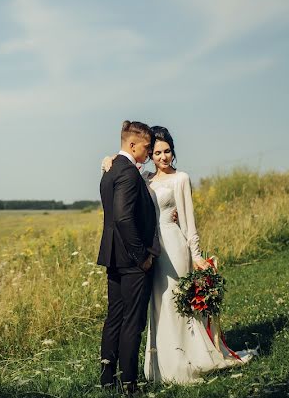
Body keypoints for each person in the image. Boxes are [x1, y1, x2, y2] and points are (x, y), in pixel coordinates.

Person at [102, 125, 255, 384]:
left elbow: (188, 221)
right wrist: (108, 159)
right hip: (149, 247)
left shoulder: (181, 178)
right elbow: (123, 180)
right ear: (149, 154)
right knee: (157, 307)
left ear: (173, 152)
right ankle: (161, 366)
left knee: (176, 303)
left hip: (173, 246)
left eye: (167, 151)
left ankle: (187, 360)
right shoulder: (144, 177)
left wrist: (195, 255)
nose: (163, 157)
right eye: (157, 152)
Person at [97, 120, 160, 393]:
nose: (148, 153)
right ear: (132, 144)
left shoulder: (109, 171)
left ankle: (107, 378)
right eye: (147, 148)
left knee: (115, 316)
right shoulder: (129, 175)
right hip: (131, 259)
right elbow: (123, 218)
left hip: (113, 255)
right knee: (132, 321)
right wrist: (142, 257)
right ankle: (130, 383)